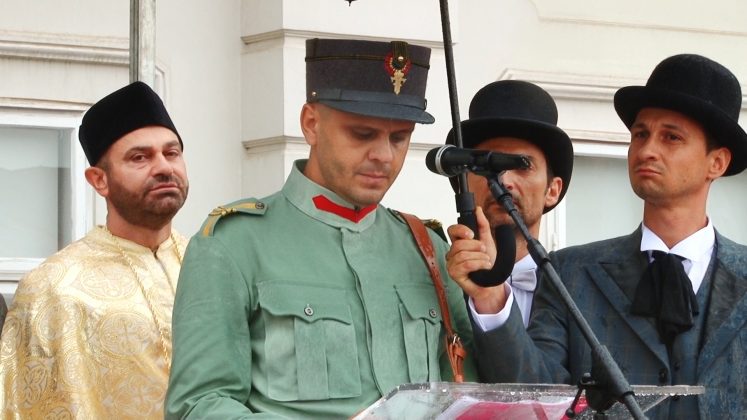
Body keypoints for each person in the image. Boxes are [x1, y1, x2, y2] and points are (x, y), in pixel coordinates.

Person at [165, 38, 476, 419]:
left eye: (399, 138)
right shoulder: (234, 244)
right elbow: (198, 405)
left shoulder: (426, 247)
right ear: (311, 124)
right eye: (362, 134)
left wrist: (490, 299)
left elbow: (471, 394)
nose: (384, 155)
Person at [448, 54, 747, 419]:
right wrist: (492, 298)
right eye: (640, 134)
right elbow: (535, 396)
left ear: (717, 162)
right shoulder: (569, 272)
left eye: (671, 137)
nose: (647, 150)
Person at [0, 81, 190, 419]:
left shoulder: (217, 264)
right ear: (99, 180)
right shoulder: (52, 289)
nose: (163, 167)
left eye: (171, 153)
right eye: (140, 157)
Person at [444, 80, 573, 327]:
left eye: (522, 165)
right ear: (463, 183)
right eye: (486, 165)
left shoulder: (578, 290)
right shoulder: (434, 284)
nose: (504, 181)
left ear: (553, 190)